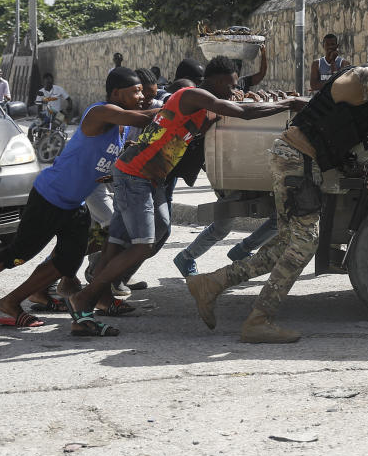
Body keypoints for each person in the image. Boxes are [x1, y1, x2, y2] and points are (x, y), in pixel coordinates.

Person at [187, 45, 368, 343]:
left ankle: (212, 284)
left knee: (286, 247)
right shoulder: (361, 78)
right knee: (306, 243)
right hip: (295, 159)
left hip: (301, 161)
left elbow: (351, 144)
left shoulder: (366, 103)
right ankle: (258, 320)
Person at [67, 56, 301, 335]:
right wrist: (290, 104)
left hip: (140, 175)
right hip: (135, 174)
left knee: (117, 243)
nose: (231, 90)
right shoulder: (192, 95)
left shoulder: (207, 107)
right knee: (142, 245)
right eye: (229, 85)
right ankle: (83, 299)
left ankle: (94, 305)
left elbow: (236, 110)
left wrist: (257, 98)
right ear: (215, 81)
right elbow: (243, 112)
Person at [0, 67, 157, 332]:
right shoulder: (101, 111)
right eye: (136, 91)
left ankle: (11, 302)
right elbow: (141, 119)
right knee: (17, 254)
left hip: (74, 204)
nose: (142, 96)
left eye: (142, 92)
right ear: (117, 93)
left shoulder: (118, 127)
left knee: (67, 262)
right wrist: (178, 105)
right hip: (50, 197)